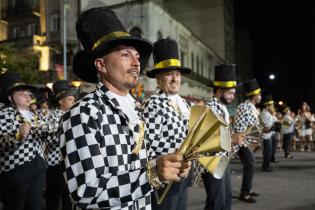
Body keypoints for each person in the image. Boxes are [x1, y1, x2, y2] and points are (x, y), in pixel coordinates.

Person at [59, 7, 190, 210]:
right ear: (101, 65)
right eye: (125, 55)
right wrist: (153, 174)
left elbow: (139, 165)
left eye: (137, 56)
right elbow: (85, 191)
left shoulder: (135, 110)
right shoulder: (83, 114)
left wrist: (170, 165)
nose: (137, 62)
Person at [142, 38, 191, 210]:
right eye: (169, 74)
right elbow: (147, 144)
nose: (174, 78)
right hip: (165, 179)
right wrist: (177, 152)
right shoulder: (153, 103)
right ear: (158, 79)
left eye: (177, 74)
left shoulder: (184, 104)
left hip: (183, 174)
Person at [199, 64, 245, 210]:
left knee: (225, 199)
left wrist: (233, 138)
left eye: (233, 93)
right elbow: (205, 139)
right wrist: (231, 139)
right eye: (230, 93)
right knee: (216, 202)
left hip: (222, 159)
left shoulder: (222, 107)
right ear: (219, 91)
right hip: (212, 160)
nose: (232, 96)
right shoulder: (210, 108)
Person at [0, 71, 46, 210]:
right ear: (10, 97)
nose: (28, 96)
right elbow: (2, 142)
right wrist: (18, 134)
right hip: (15, 169)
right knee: (16, 206)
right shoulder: (3, 115)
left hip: (38, 166)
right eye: (22, 93)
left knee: (35, 206)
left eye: (28, 93)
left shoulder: (35, 114)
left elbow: (45, 138)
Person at [44, 80, 77, 210]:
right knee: (54, 196)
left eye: (73, 99)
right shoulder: (52, 117)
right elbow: (49, 139)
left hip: (70, 162)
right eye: (70, 99)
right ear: (60, 101)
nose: (73, 102)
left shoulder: (73, 115)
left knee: (68, 197)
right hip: (55, 162)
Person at [233, 79, 261, 203]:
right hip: (241, 141)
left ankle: (247, 190)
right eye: (259, 94)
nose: (260, 96)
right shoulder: (246, 107)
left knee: (249, 165)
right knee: (250, 165)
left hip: (246, 141)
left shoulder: (251, 107)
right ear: (254, 95)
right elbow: (253, 126)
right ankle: (244, 193)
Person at [260, 95, 276, 172]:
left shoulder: (268, 113)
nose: (273, 107)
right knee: (267, 152)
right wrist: (274, 127)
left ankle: (267, 165)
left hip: (269, 135)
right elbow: (266, 128)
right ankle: (265, 166)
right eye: (271, 105)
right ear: (267, 106)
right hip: (266, 135)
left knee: (269, 151)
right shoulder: (264, 113)